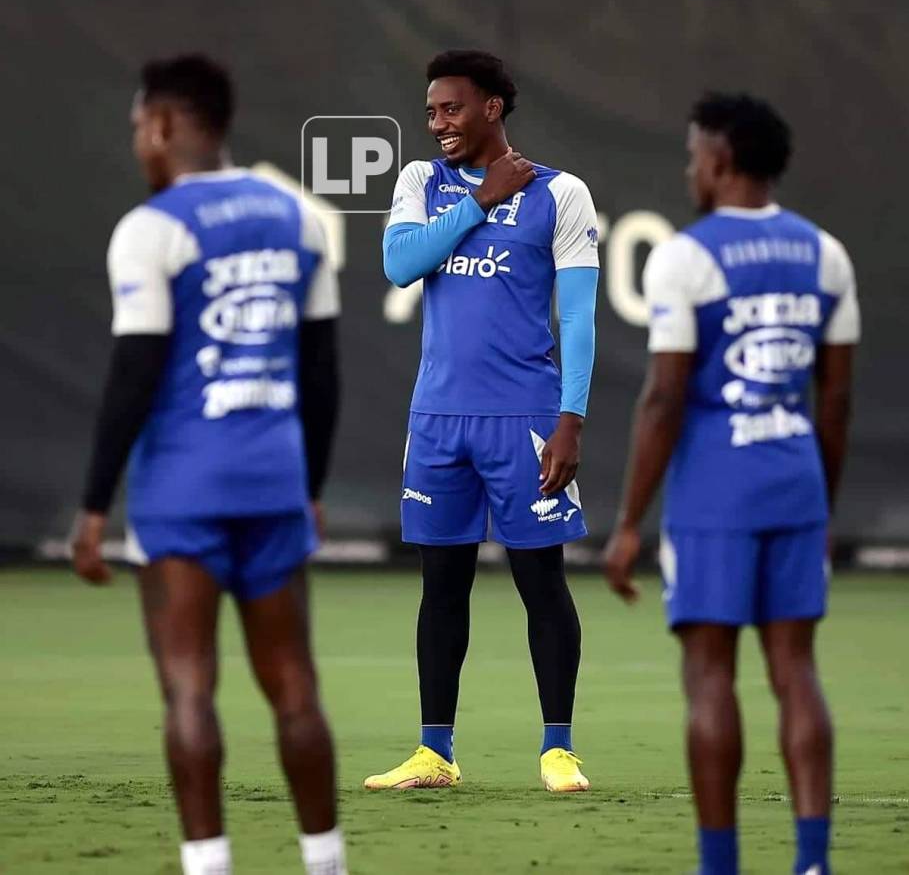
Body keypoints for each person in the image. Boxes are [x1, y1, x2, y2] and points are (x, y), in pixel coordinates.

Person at [70, 54, 346, 875]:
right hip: (272, 482)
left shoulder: (151, 229)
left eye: (136, 130)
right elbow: (322, 371)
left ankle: (209, 865)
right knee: (295, 688)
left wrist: (92, 506)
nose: (136, 145)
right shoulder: (299, 218)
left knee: (189, 690)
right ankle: (324, 862)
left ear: (161, 125)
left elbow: (133, 376)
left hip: (182, 488)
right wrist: (311, 489)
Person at [603, 92, 860, 875]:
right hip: (794, 483)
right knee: (795, 671)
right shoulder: (826, 253)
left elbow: (662, 398)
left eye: (692, 155)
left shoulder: (687, 255)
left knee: (709, 676)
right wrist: (819, 499)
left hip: (716, 493)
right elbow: (836, 399)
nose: (689, 167)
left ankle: (720, 866)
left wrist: (625, 523)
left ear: (718, 161)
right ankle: (811, 862)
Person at [366, 50, 600, 793]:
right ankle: (435, 753)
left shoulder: (561, 194)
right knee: (441, 586)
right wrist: (478, 200)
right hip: (436, 419)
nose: (436, 123)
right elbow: (401, 265)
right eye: (431, 110)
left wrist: (571, 419)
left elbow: (578, 317)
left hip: (524, 419)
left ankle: (557, 750)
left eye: (452, 109)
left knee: (541, 581)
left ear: (492, 108)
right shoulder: (419, 182)